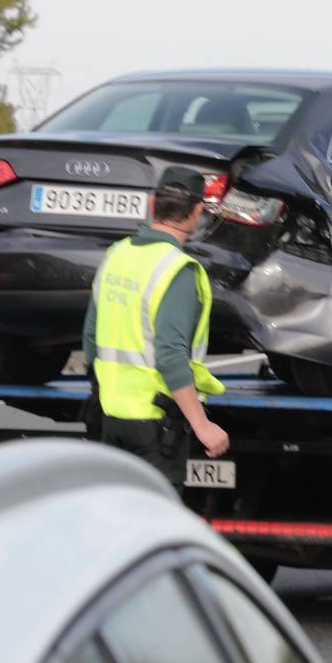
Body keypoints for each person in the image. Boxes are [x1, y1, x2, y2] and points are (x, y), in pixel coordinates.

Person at [83, 166, 230, 488]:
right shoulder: (177, 269)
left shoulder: (116, 255)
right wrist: (202, 424)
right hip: (155, 426)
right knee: (153, 527)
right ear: (197, 212)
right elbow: (169, 355)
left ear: (152, 205)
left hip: (111, 417)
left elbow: (91, 339)